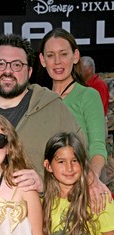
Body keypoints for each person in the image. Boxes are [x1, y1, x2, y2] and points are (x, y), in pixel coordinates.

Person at [0, 33, 109, 215]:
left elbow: (79, 161)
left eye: (17, 65)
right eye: (0, 64)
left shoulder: (54, 109)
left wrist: (44, 184)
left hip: (38, 227)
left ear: (29, 72)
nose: (7, 71)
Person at [38, 28, 111, 214]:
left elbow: (97, 145)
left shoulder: (88, 96)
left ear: (75, 56)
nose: (57, 62)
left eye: (63, 54)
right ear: (42, 60)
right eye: (50, 55)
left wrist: (92, 178)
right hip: (44, 195)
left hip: (81, 192)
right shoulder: (37, 98)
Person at [43, 132, 114, 235]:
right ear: (48, 166)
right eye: (61, 162)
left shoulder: (100, 200)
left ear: (83, 163)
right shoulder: (41, 203)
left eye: (74, 161)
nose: (69, 168)